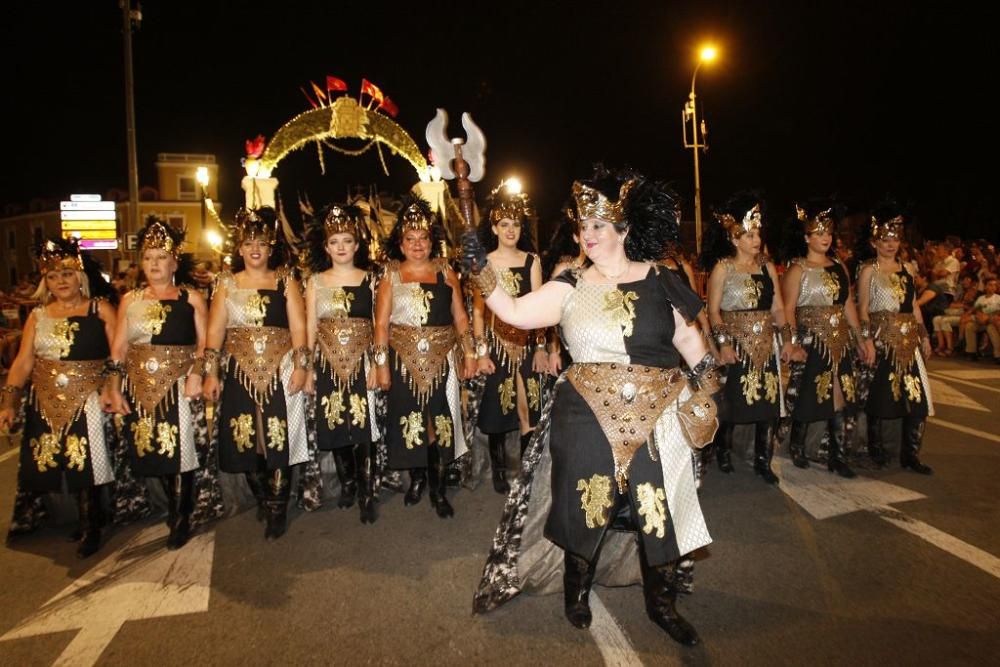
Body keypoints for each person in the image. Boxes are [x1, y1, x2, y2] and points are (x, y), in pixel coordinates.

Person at [469, 167, 719, 646]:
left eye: (599, 225)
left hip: (657, 413)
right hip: (585, 411)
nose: (588, 234)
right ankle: (575, 590)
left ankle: (660, 603)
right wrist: (480, 268)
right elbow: (516, 312)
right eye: (583, 226)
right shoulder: (569, 285)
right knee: (586, 503)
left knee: (656, 506)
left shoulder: (661, 279)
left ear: (623, 229)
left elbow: (689, 339)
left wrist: (708, 389)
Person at [0, 239, 118, 557]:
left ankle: (92, 522)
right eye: (53, 276)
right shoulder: (38, 316)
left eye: (67, 274)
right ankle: (73, 518)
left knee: (88, 459)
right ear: (45, 282)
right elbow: (23, 361)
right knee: (54, 459)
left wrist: (110, 386)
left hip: (89, 394)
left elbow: (117, 354)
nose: (61, 281)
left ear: (79, 277)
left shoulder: (100, 309)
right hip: (46, 396)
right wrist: (9, 402)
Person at [202, 207, 310, 539]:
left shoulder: (285, 280)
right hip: (239, 368)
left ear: (271, 247)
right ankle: (263, 496)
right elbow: (215, 332)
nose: (255, 249)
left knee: (279, 438)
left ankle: (278, 508)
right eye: (248, 243)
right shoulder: (226, 284)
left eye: (261, 243)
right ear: (239, 249)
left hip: (280, 366)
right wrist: (211, 373)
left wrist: (301, 367)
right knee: (244, 439)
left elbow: (299, 329)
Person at [104, 217, 210, 550]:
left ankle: (181, 516)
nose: (154, 264)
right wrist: (113, 385)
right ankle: (172, 505)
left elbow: (206, 344)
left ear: (174, 262)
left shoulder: (190, 298)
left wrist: (196, 373)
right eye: (148, 258)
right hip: (139, 383)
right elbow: (119, 347)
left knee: (181, 450)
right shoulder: (130, 300)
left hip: (178, 383)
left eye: (161, 257)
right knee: (151, 448)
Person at [373, 196, 475, 518]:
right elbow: (380, 324)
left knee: (439, 422)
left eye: (423, 238)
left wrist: (469, 353)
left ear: (432, 242)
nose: (417, 244)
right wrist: (381, 367)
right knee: (412, 422)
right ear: (401, 244)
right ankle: (417, 478)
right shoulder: (391, 275)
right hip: (403, 361)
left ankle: (439, 488)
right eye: (410, 239)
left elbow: (460, 317)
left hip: (443, 359)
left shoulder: (446, 272)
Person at [700, 193, 793, 484]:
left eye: (758, 234)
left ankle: (763, 461)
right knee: (733, 404)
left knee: (768, 404)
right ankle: (724, 453)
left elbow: (777, 307)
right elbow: (713, 311)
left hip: (766, 344)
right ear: (735, 238)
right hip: (737, 345)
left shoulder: (767, 267)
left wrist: (788, 340)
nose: (756, 240)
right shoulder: (723, 269)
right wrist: (724, 344)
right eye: (750, 235)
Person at [779, 203, 874, 476]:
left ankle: (837, 455)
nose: (825, 237)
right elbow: (788, 310)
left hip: (840, 341)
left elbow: (848, 308)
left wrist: (862, 340)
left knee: (842, 395)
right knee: (809, 396)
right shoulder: (798, 269)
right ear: (806, 237)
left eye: (828, 233)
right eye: (818, 233)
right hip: (812, 342)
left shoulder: (839, 267)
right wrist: (793, 343)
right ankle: (797, 445)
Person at [304, 204, 381, 523]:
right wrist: (306, 367)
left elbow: (379, 324)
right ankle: (348, 483)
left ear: (357, 245)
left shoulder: (371, 279)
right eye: (334, 241)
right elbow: (309, 326)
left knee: (364, 426)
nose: (340, 247)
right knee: (335, 423)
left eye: (347, 240)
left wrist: (378, 364)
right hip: (327, 362)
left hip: (363, 361)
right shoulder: (315, 282)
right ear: (326, 246)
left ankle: (366, 490)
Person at [472, 180, 547, 493]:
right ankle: (499, 469)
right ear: (494, 227)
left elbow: (541, 306)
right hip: (496, 344)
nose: (511, 230)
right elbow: (478, 312)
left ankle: (528, 469)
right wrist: (480, 352)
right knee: (496, 408)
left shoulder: (532, 261)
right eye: (504, 224)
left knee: (529, 406)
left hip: (527, 343)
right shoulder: (484, 263)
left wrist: (542, 346)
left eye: (516, 224)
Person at [856, 203, 935, 473]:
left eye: (895, 239)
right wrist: (867, 340)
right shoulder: (868, 270)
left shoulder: (908, 270)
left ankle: (910, 455)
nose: (891, 245)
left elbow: (913, 306)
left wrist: (923, 335)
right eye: (885, 240)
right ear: (874, 242)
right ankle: (876, 449)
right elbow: (863, 308)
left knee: (917, 399)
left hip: (908, 339)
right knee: (881, 396)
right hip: (882, 337)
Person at [962, 277, 1000, 362]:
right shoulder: (981, 298)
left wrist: (988, 316)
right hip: (981, 320)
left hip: (991, 321)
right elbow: (975, 309)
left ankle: (998, 355)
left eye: (995, 285)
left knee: (991, 328)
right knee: (969, 326)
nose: (993, 287)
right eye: (990, 285)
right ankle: (971, 352)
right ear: (986, 286)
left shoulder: (998, 298)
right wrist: (979, 316)